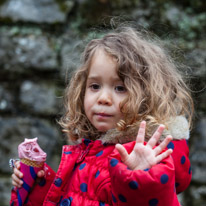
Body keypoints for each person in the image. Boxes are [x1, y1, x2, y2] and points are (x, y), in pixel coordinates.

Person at [10, 26, 193, 206]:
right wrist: (35, 185)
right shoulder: (91, 149)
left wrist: (141, 176)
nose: (103, 98)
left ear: (147, 98)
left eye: (120, 88)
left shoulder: (144, 156)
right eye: (95, 86)